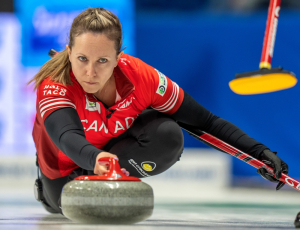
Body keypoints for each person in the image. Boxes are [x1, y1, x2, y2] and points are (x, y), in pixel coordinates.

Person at [29, 7, 288, 214]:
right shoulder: (56, 80)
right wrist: (96, 160)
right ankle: (87, 185)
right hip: (65, 170)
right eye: (82, 59)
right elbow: (66, 136)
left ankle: (108, 181)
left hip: (109, 161)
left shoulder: (142, 77)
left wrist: (259, 152)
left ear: (119, 58)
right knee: (68, 202)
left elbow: (205, 122)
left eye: (103, 61)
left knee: (167, 133)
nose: (90, 72)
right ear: (69, 51)